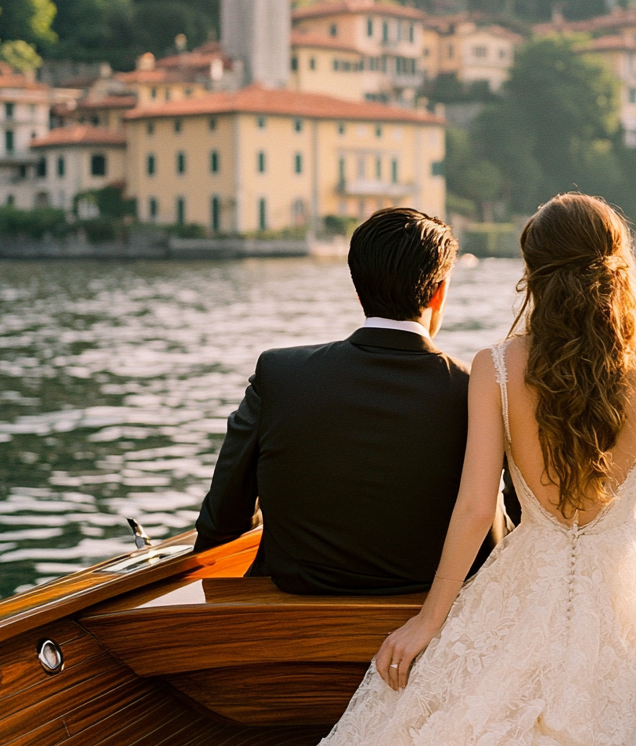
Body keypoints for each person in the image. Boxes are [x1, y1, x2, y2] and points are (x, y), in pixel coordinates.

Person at [287, 193, 636, 746]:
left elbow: (477, 505)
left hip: (524, 570)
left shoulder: (497, 367)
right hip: (621, 584)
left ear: (532, 275)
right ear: (620, 268)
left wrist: (428, 621)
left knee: (452, 732)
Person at [193, 207, 494, 594]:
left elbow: (223, 518)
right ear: (439, 292)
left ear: (358, 290)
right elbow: (489, 539)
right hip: (422, 624)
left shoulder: (279, 374)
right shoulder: (474, 391)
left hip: (289, 617)